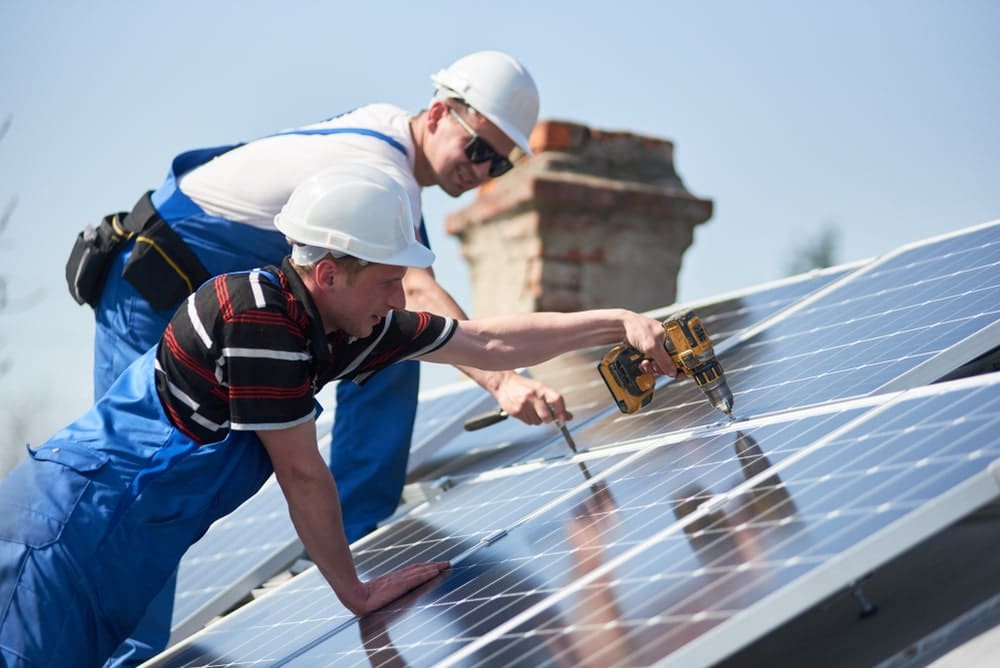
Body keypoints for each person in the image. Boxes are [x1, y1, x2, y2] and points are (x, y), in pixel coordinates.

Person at [4, 165, 675, 668]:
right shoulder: (256, 315)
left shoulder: (342, 326)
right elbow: (301, 472)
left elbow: (490, 343)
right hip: (64, 538)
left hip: (122, 552)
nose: (399, 297)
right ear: (329, 274)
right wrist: (353, 591)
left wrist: (618, 322)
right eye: (389, 282)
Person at [77, 50, 562, 665]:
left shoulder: (394, 175)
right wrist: (501, 382)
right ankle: (125, 658)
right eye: (478, 149)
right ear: (439, 112)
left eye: (501, 164)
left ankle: (364, 536)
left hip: (214, 305)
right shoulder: (376, 168)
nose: (485, 170)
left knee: (388, 345)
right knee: (146, 483)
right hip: (150, 289)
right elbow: (418, 294)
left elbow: (399, 306)